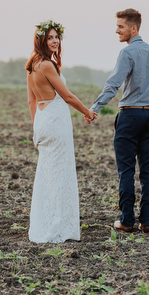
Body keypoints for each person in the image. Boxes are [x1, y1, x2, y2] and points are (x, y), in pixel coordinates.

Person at [91, 8, 149, 233]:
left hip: (131, 115)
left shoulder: (127, 53)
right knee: (148, 170)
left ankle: (126, 221)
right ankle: (147, 222)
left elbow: (114, 84)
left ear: (134, 28)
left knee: (126, 170)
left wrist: (95, 107)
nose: (117, 31)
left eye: (120, 26)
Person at [25, 20, 96, 243]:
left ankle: (44, 223)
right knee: (60, 174)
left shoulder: (31, 66)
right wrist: (87, 111)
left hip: (44, 120)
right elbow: (66, 96)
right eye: (50, 38)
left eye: (57, 37)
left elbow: (31, 101)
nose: (55, 41)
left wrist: (36, 127)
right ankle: (58, 227)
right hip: (56, 120)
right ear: (41, 40)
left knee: (47, 174)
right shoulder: (46, 65)